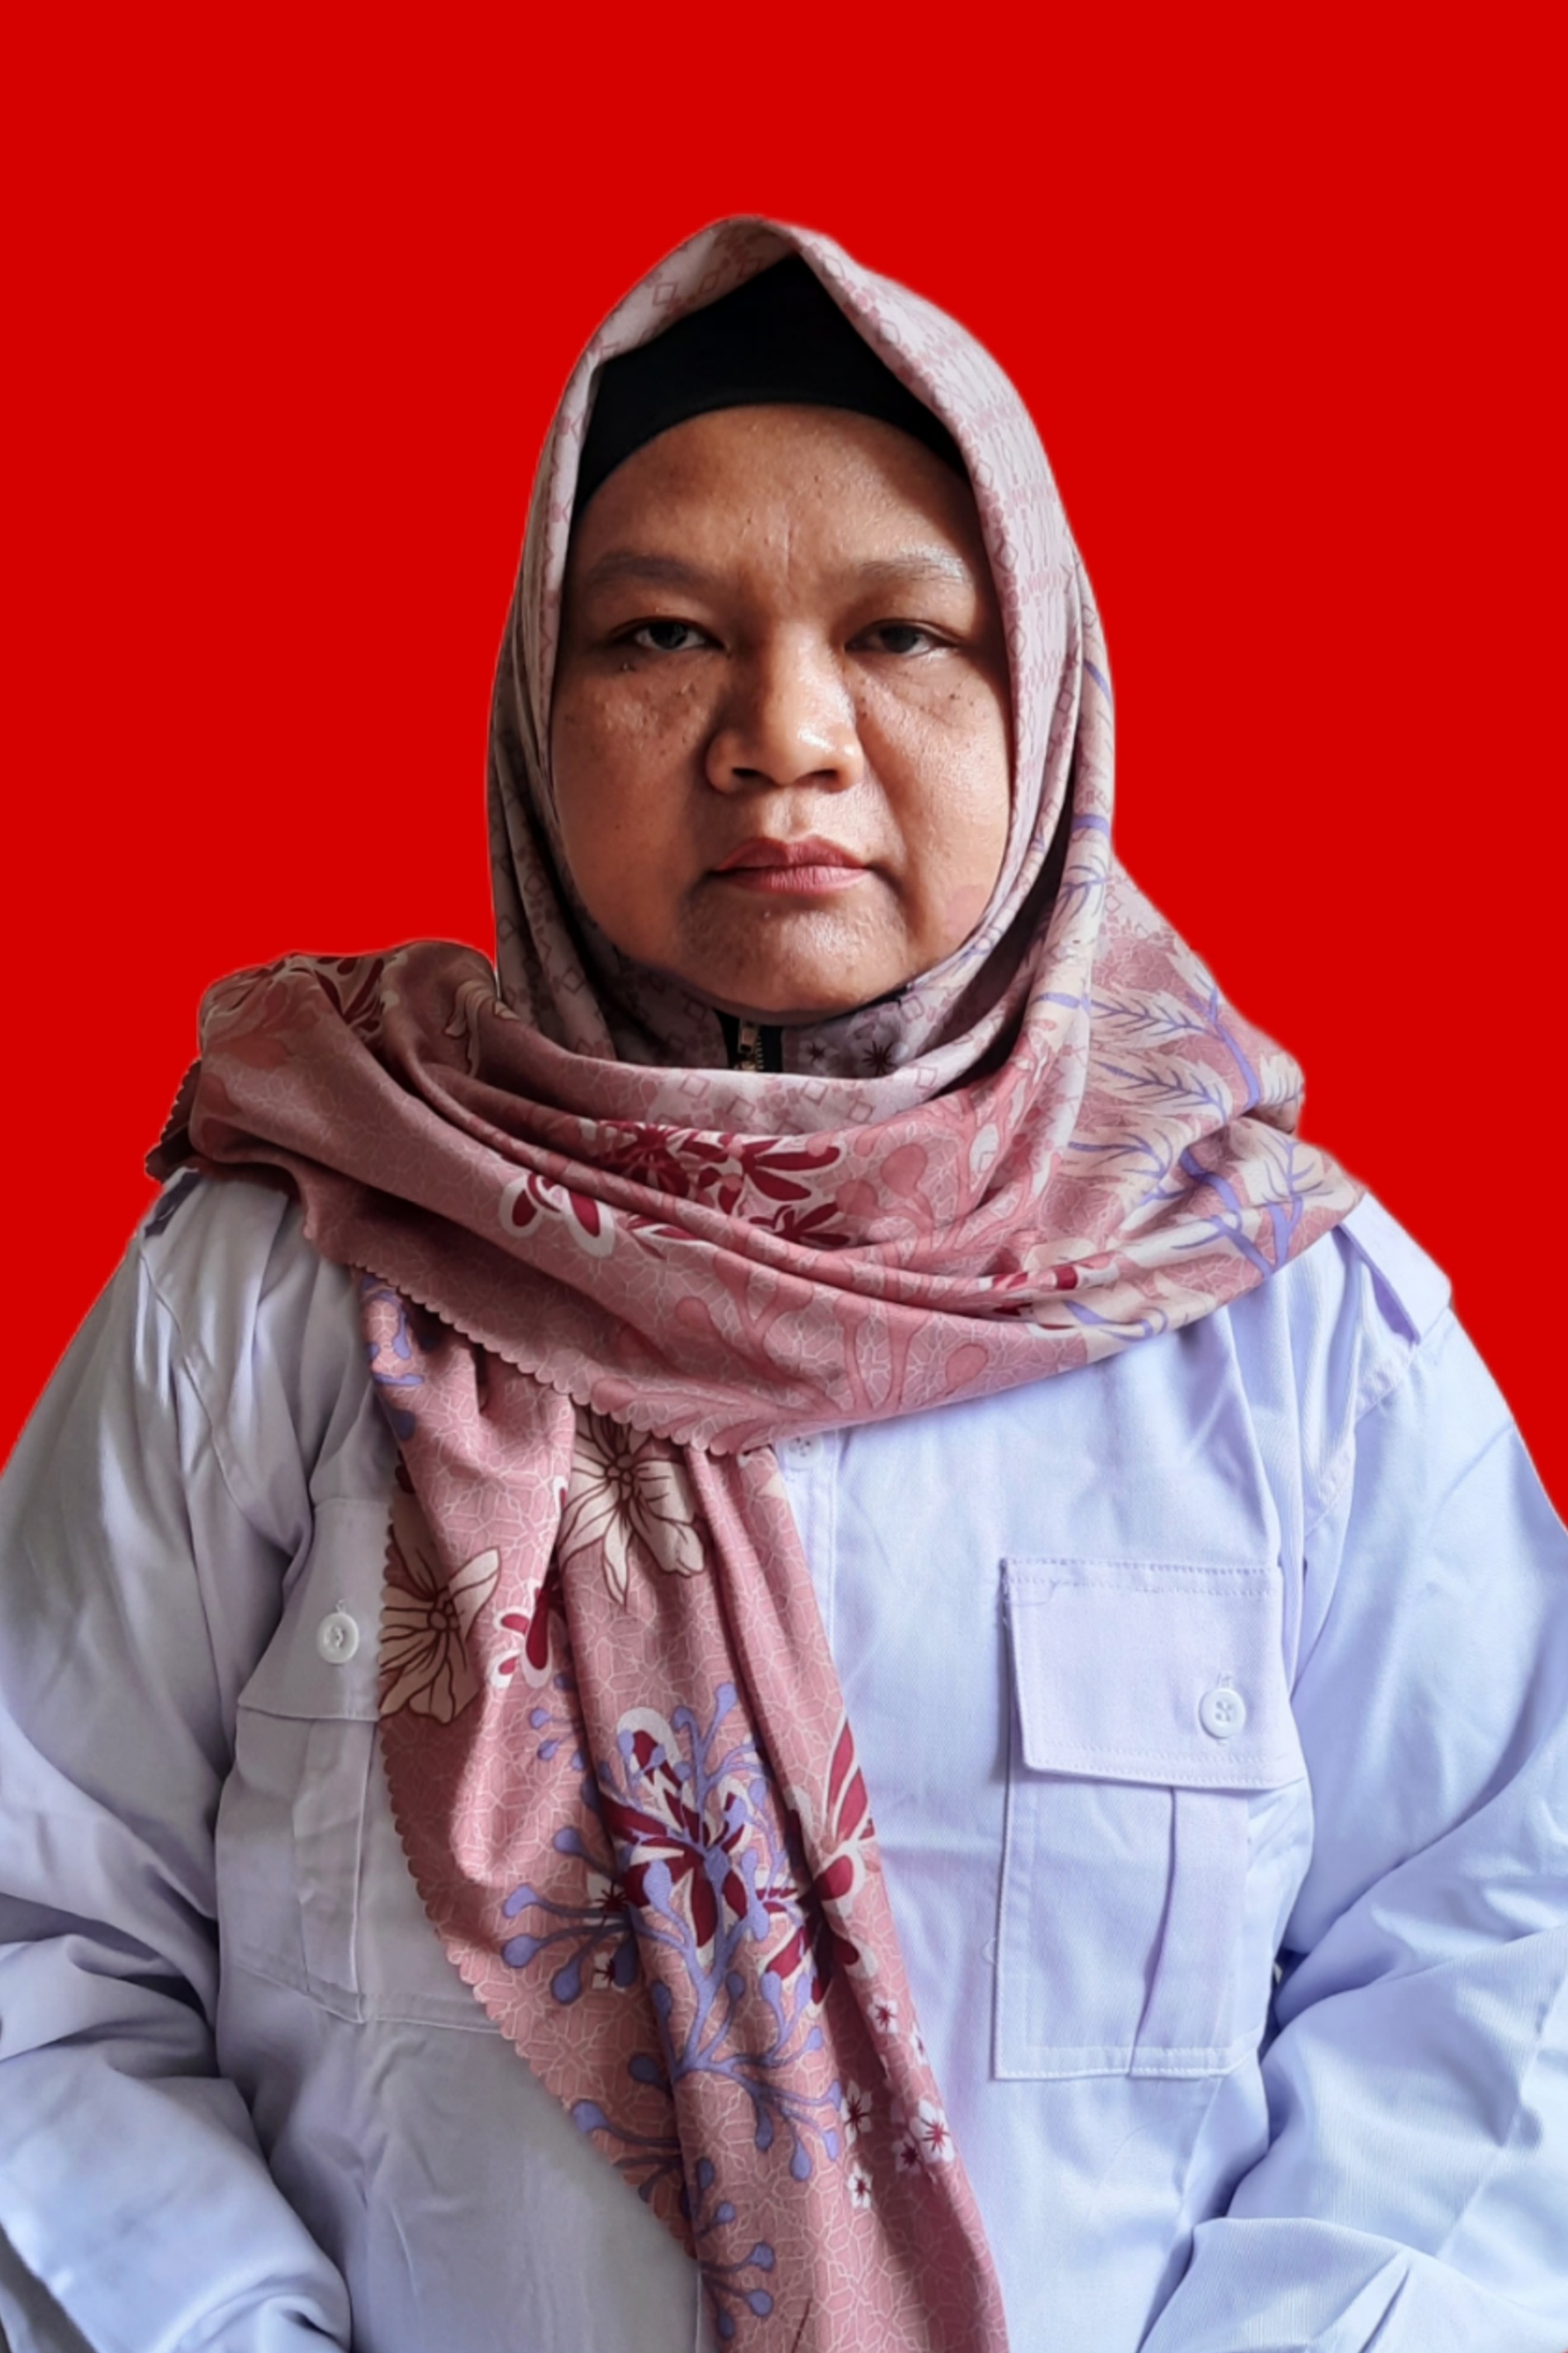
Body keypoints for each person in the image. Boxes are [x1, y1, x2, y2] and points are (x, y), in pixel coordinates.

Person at [0, 219, 1564, 2353]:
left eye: (903, 634)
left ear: (1045, 699)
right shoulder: (289, 1275)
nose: (782, 736)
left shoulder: (1282, 1326)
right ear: (535, 710)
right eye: (660, 635)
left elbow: (1506, 1950)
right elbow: (40, 1941)